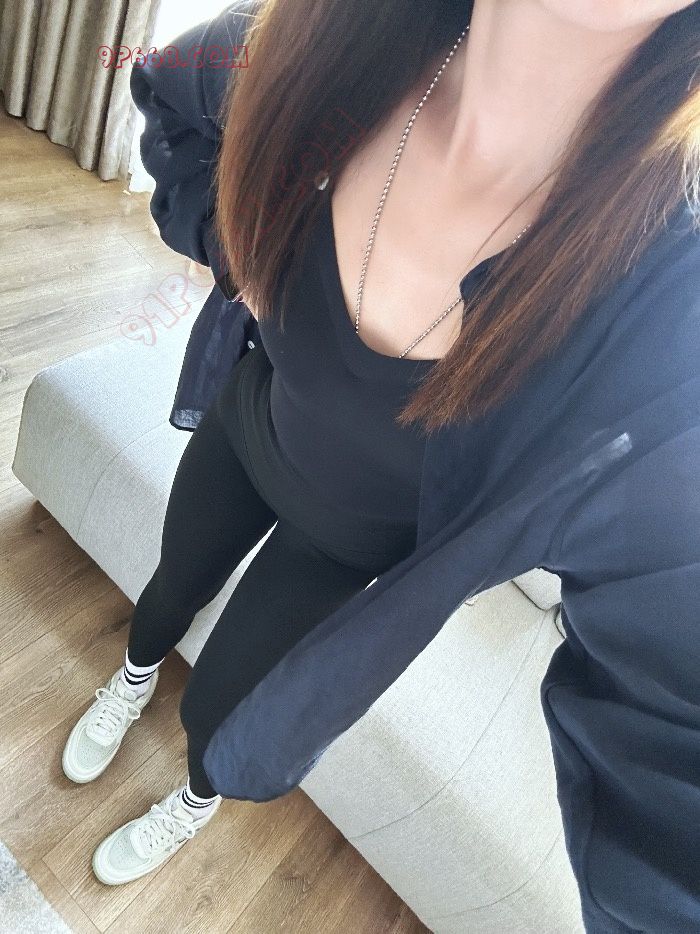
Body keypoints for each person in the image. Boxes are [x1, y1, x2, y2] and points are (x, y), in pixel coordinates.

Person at [61, 1, 700, 930]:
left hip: (344, 548)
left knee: (226, 718)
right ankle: (128, 681)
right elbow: (170, 95)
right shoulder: (323, 48)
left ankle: (191, 802)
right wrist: (234, 249)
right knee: (165, 595)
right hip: (246, 433)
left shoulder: (662, 314)